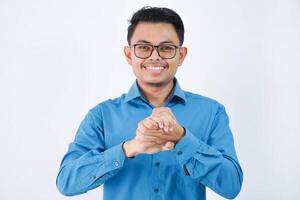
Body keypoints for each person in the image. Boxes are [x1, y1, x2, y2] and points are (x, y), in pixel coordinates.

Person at [56, 6, 243, 200]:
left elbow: (231, 186)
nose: (155, 56)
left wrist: (182, 138)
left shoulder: (211, 112)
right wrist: (130, 148)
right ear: (129, 55)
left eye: (166, 48)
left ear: (181, 55)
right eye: (144, 47)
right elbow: (67, 182)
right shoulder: (102, 115)